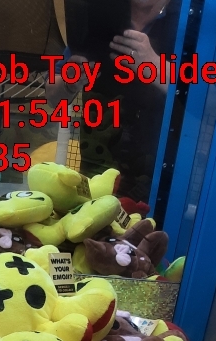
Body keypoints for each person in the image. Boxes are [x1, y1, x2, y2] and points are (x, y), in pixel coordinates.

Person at [47, 0, 177, 204]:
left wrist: (155, 66)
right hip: (96, 164)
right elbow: (53, 97)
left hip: (160, 174)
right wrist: (69, 83)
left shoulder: (190, 21)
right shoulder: (98, 17)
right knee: (90, 219)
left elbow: (209, 98)